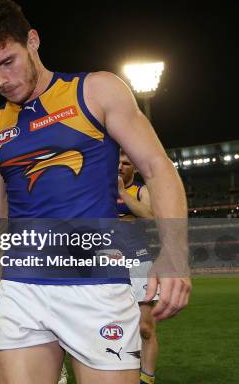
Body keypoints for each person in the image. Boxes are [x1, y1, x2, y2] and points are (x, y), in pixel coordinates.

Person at [0, 0, 191, 383]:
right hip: (23, 289)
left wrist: (174, 253)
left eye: (8, 62)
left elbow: (157, 167)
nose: (1, 80)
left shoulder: (96, 91)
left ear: (32, 41)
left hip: (97, 287)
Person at [117, 150, 159, 384]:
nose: (120, 167)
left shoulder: (141, 190)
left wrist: (122, 193)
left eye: (126, 163)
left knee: (145, 327)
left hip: (139, 262)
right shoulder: (101, 190)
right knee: (114, 326)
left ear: (134, 168)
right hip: (108, 263)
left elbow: (149, 215)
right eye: (117, 163)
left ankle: (147, 378)